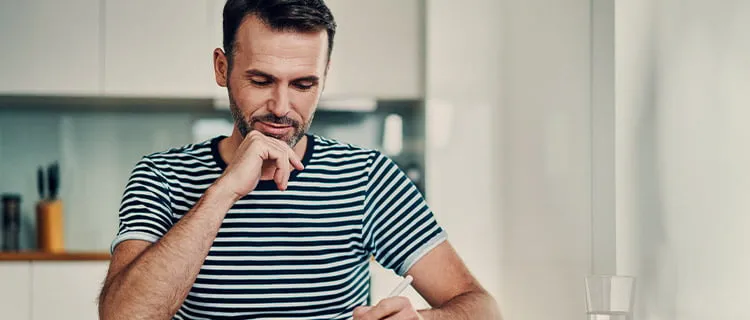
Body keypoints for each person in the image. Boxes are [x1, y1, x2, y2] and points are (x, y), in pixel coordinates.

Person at [97, 0, 501, 319]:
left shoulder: (367, 178)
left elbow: (482, 308)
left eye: (304, 84)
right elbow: (125, 316)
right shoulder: (161, 176)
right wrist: (224, 191)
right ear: (223, 68)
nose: (281, 106)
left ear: (325, 74)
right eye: (260, 80)